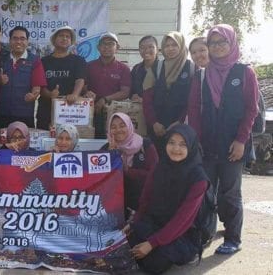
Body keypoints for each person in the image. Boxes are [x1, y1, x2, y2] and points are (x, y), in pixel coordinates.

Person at [187, 24, 259, 255]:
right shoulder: (201, 74)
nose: (217, 47)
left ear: (231, 43)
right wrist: (196, 141)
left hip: (233, 144)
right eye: (213, 43)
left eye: (222, 42)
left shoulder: (244, 72)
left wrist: (240, 141)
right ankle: (206, 232)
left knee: (229, 192)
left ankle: (233, 237)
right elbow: (194, 110)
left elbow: (251, 110)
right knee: (206, 190)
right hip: (207, 143)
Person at [126, 124, 207, 274]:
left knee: (154, 263)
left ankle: (186, 254)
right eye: (172, 143)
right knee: (127, 244)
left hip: (182, 233)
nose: (176, 149)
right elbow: (145, 201)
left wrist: (152, 243)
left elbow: (182, 220)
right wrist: (133, 223)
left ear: (191, 146)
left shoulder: (198, 179)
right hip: (154, 223)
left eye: (183, 144)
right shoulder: (159, 167)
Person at [101, 112, 158, 218]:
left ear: (129, 126)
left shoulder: (145, 144)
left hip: (142, 204)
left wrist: (127, 171)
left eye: (122, 126)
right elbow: (99, 179)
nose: (118, 130)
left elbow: (155, 175)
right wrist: (112, 156)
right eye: (113, 127)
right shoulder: (105, 149)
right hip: (115, 207)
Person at [142, 31, 193, 149]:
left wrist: (179, 122)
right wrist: (154, 123)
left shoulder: (191, 68)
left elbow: (192, 101)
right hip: (156, 128)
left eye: (174, 45)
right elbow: (147, 99)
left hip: (181, 129)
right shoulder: (156, 68)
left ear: (181, 46)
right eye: (167, 45)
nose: (170, 49)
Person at [0, 26, 47, 129]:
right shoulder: (1, 59)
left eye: (22, 38)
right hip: (2, 113)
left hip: (24, 114)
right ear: (10, 41)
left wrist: (33, 95)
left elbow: (37, 87)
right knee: (3, 144)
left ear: (27, 41)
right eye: (15, 38)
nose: (18, 41)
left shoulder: (35, 61)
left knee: (24, 144)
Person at [37, 26, 85, 130]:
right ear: (54, 40)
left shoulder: (78, 61)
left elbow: (80, 79)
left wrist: (75, 94)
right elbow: (39, 86)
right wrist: (50, 94)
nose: (64, 39)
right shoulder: (43, 61)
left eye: (68, 37)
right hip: (46, 111)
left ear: (71, 41)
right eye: (61, 36)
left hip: (70, 111)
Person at [85, 32, 131, 139]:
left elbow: (125, 92)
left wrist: (105, 99)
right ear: (98, 47)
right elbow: (83, 86)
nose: (107, 47)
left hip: (113, 113)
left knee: (112, 143)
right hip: (91, 113)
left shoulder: (124, 68)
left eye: (111, 44)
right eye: (103, 44)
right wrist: (86, 92)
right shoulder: (89, 66)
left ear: (117, 47)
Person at [131, 35, 159, 100]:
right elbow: (130, 89)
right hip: (138, 107)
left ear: (157, 49)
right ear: (139, 50)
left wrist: (146, 100)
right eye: (142, 47)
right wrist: (133, 96)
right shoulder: (136, 69)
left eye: (150, 47)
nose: (146, 50)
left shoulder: (163, 69)